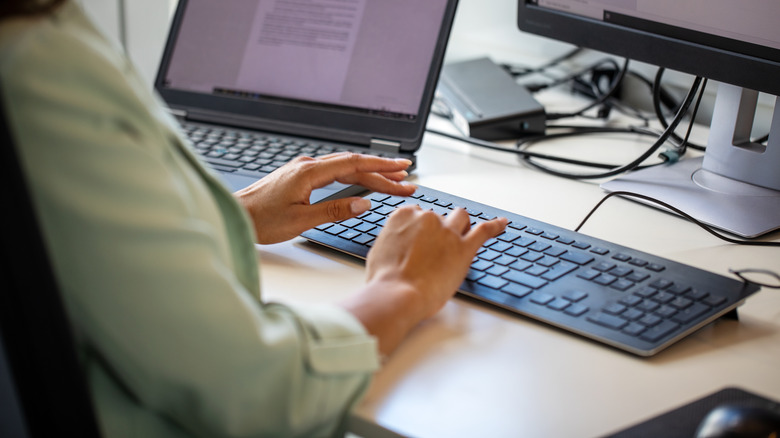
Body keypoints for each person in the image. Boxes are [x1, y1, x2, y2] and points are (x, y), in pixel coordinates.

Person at [0, 1, 507, 437]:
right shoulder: (38, 69)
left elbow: (72, 247)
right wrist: (401, 288)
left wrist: (233, 214)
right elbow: (253, 389)